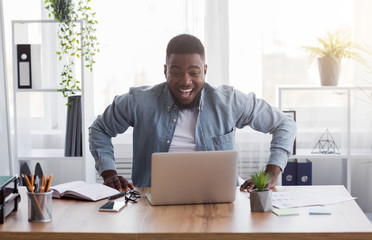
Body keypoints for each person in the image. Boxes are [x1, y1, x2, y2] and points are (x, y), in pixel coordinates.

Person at [89, 34, 297, 193]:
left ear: (205, 71)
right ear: (165, 71)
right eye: (176, 73)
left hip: (220, 204)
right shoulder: (139, 102)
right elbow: (99, 129)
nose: (186, 81)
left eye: (194, 73)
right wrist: (109, 173)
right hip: (151, 202)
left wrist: (272, 172)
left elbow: (284, 124)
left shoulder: (229, 102)